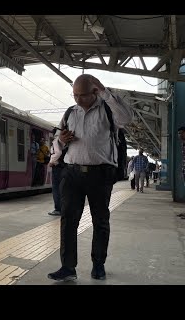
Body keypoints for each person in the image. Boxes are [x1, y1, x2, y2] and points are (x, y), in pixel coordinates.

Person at [47, 74, 133, 282]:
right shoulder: (70, 112)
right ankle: (68, 267)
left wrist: (105, 91)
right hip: (72, 173)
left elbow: (127, 118)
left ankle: (98, 264)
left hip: (100, 174)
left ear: (95, 92)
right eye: (75, 95)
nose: (77, 99)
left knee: (100, 220)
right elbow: (58, 141)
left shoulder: (107, 109)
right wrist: (60, 142)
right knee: (68, 221)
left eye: (82, 95)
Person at [48, 128, 64, 216]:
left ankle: (58, 209)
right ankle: (62, 208)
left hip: (57, 167)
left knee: (56, 188)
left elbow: (57, 153)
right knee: (62, 188)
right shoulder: (64, 141)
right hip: (63, 167)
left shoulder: (56, 141)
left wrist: (51, 162)